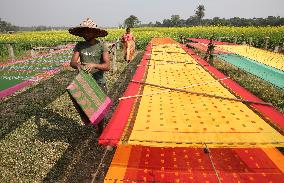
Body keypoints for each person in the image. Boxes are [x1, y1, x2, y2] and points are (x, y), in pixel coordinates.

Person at [69, 18, 110, 134]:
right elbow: (72, 62)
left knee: (100, 110)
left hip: (98, 81)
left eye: (88, 31)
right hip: (84, 81)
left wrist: (94, 65)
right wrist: (77, 65)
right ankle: (95, 124)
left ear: (95, 32)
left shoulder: (101, 46)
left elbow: (107, 66)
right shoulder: (80, 45)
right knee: (86, 107)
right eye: (83, 32)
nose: (85, 34)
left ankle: (101, 129)